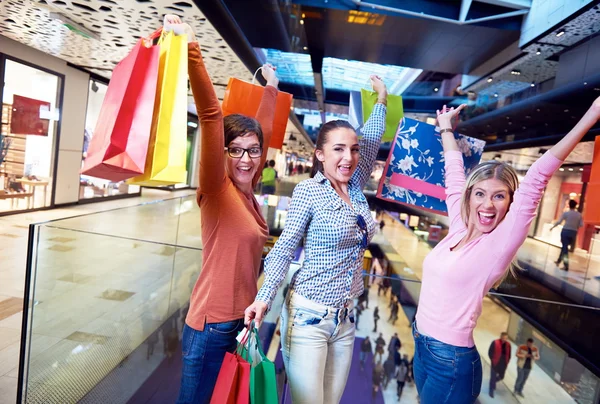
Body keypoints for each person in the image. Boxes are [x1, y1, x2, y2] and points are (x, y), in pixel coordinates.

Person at [412, 98, 600, 404]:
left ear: (511, 203)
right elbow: (454, 171)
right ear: (469, 197)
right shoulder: (460, 225)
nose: (487, 205)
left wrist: (592, 114)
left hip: (452, 361)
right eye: (481, 194)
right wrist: (446, 128)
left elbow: (538, 176)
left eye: (499, 197)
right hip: (422, 344)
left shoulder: (498, 244)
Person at [244, 77, 388, 403]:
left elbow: (372, 137)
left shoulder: (354, 186)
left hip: (345, 319)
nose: (348, 157)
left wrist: (382, 97)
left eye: (353, 149)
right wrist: (264, 297)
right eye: (338, 149)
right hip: (308, 315)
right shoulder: (309, 191)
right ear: (319, 155)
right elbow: (283, 248)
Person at [164, 16, 280, 404]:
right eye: (235, 149)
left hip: (239, 323)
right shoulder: (217, 188)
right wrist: (192, 46)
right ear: (223, 152)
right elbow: (212, 116)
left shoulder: (248, 190)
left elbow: (259, 131)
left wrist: (271, 91)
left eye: (253, 150)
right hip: (212, 325)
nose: (246, 158)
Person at [551, 199, 583, 271]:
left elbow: (559, 222)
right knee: (565, 247)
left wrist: (552, 227)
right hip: (573, 232)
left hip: (565, 231)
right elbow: (581, 224)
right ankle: (558, 261)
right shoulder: (579, 215)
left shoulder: (566, 213)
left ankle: (566, 265)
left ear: (569, 205)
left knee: (565, 248)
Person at [488, 332, 511, 398]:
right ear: (501, 337)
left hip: (503, 364)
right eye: (503, 338)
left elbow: (509, 354)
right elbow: (490, 352)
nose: (504, 339)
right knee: (493, 377)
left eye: (506, 338)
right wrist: (492, 360)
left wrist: (507, 362)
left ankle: (493, 382)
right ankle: (491, 389)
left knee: (501, 376)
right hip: (495, 363)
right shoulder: (495, 342)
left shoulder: (508, 345)